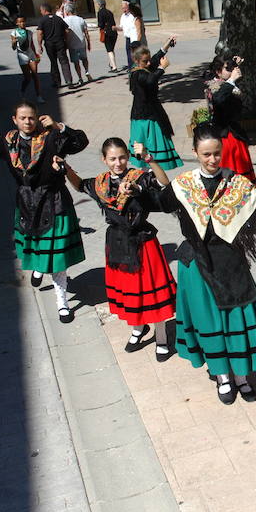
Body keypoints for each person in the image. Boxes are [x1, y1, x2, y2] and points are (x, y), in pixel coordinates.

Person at [142, 124, 256, 403]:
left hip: (231, 263)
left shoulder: (236, 182)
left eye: (217, 153)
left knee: (237, 319)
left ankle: (241, 375)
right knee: (209, 322)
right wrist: (137, 185)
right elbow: (159, 201)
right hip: (195, 262)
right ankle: (223, 377)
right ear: (195, 152)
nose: (213, 159)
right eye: (206, 154)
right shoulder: (184, 184)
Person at [0, 99, 88, 322]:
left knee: (57, 258)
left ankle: (62, 302)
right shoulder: (8, 142)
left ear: (37, 118)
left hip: (55, 202)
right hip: (27, 203)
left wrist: (60, 126)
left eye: (31, 117)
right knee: (41, 251)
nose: (27, 122)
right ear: (14, 120)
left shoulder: (51, 137)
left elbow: (80, 142)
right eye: (22, 118)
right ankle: (39, 268)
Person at [63, 138, 176, 360]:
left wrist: (148, 158)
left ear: (128, 156)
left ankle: (161, 335)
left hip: (143, 242)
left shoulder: (138, 177)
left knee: (151, 295)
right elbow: (78, 185)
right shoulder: (101, 184)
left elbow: (164, 183)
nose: (118, 163)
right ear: (104, 160)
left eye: (122, 157)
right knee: (133, 294)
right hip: (116, 242)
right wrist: (66, 169)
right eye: (113, 158)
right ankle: (138, 328)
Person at [128, 39, 183, 171]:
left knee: (152, 143)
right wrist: (162, 68)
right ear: (136, 61)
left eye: (148, 60)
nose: (148, 63)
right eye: (145, 61)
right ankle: (147, 171)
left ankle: (153, 170)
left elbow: (155, 58)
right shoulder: (136, 74)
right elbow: (150, 81)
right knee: (147, 143)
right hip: (143, 117)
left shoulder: (144, 67)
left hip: (151, 113)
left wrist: (166, 45)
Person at [205, 55, 255, 182]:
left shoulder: (224, 83)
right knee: (229, 171)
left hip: (234, 133)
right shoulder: (213, 85)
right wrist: (232, 80)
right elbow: (218, 99)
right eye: (227, 69)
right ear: (218, 72)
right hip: (224, 137)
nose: (232, 71)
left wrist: (235, 65)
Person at [36, 3, 74, 89]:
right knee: (64, 61)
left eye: (41, 10)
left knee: (53, 62)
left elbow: (40, 33)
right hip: (60, 43)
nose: (41, 12)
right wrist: (66, 40)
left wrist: (39, 45)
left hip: (49, 44)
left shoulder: (42, 20)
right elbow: (67, 30)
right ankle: (69, 81)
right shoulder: (58, 18)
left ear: (44, 10)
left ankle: (57, 82)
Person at [10, 16, 44, 104]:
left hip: (31, 55)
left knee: (35, 75)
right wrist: (14, 42)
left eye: (23, 21)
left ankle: (39, 96)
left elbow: (31, 44)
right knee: (27, 78)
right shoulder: (14, 33)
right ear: (17, 23)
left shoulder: (29, 32)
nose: (22, 23)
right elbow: (14, 48)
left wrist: (36, 55)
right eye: (20, 22)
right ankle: (22, 92)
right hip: (22, 56)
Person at [63, 4, 91, 84]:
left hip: (71, 44)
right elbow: (86, 33)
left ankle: (80, 77)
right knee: (84, 59)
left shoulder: (65, 20)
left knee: (76, 62)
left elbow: (64, 33)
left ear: (67, 11)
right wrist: (89, 43)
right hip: (81, 43)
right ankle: (86, 71)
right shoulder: (80, 19)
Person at [96, 0, 118, 72]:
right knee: (112, 49)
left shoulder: (100, 12)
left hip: (107, 33)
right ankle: (112, 64)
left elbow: (100, 24)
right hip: (113, 32)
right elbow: (113, 23)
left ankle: (114, 67)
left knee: (109, 50)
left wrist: (98, 26)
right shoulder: (110, 12)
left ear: (100, 5)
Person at [116, 1, 137, 70]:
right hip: (127, 38)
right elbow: (121, 28)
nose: (124, 10)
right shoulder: (123, 16)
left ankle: (136, 67)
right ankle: (131, 67)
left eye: (125, 8)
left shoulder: (133, 15)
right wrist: (115, 28)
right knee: (129, 54)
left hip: (134, 38)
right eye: (122, 8)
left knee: (135, 53)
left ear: (128, 7)